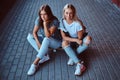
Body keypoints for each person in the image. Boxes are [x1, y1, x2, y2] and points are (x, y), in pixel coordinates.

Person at [27, 4, 62, 76]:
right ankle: (44, 55)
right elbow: (34, 32)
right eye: (41, 14)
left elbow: (48, 35)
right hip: (45, 39)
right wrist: (38, 42)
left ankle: (34, 64)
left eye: (45, 14)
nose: (42, 16)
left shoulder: (54, 21)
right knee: (29, 37)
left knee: (46, 39)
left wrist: (45, 24)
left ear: (49, 13)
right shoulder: (38, 19)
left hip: (57, 42)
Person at [59, 4, 92, 76]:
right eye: (66, 13)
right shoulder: (62, 21)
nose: (68, 15)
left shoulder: (77, 23)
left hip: (78, 40)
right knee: (64, 43)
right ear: (64, 13)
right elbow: (64, 37)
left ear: (73, 13)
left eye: (70, 13)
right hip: (71, 41)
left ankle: (72, 56)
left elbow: (79, 38)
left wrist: (76, 40)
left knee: (89, 39)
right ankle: (79, 64)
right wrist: (74, 40)